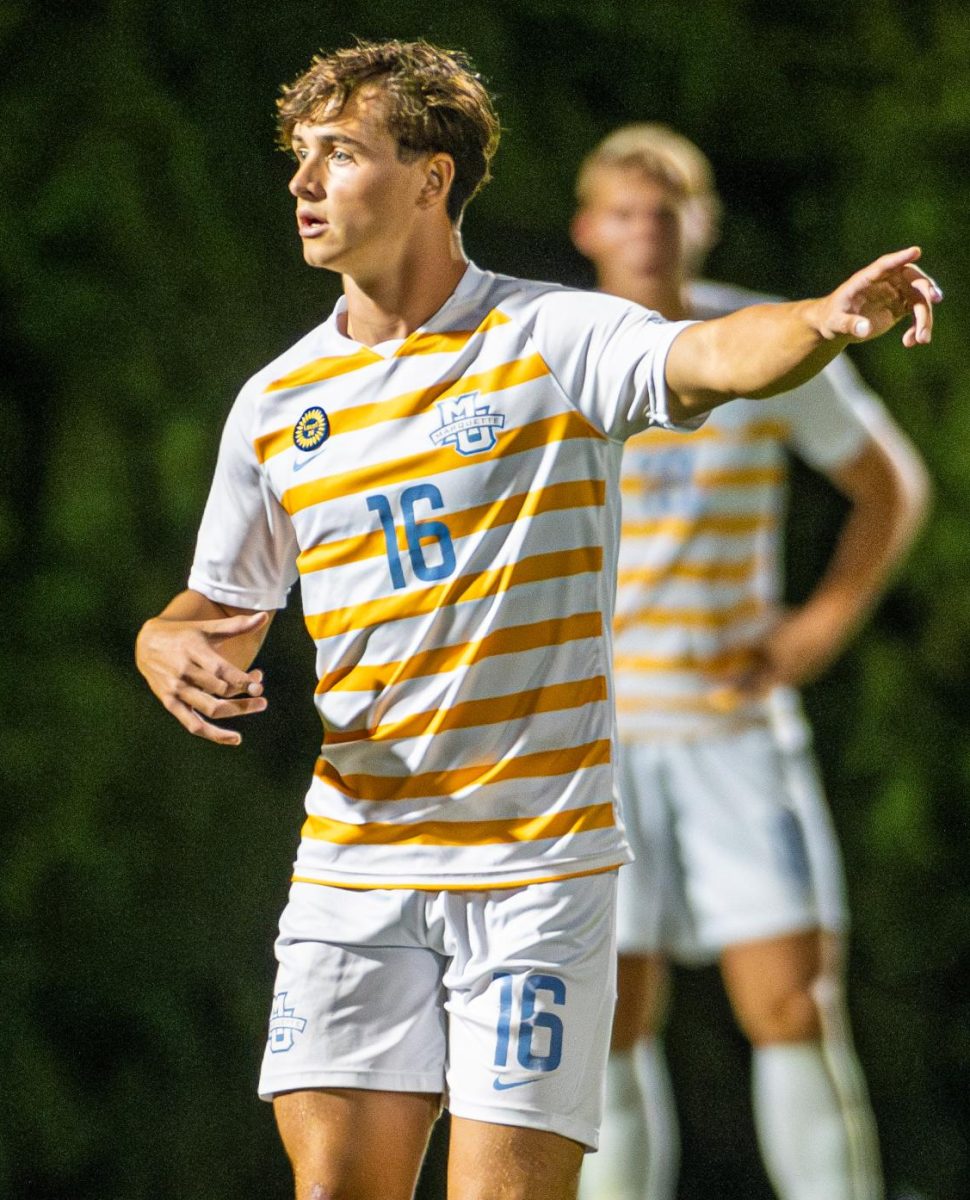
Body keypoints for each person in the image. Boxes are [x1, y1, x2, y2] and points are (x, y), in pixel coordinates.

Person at [134, 41, 939, 1200]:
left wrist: (817, 319)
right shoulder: (277, 403)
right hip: (355, 866)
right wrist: (166, 641)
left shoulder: (552, 337)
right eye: (298, 158)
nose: (304, 184)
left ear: (431, 177)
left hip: (533, 874)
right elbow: (217, 610)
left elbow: (708, 358)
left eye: (340, 154)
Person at [571, 124, 932, 1200]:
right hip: (605, 736)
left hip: (732, 726)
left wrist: (820, 624)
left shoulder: (761, 338)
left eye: (669, 207)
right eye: (627, 211)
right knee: (610, 1015)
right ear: (590, 228)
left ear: (703, 221)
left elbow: (889, 487)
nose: (649, 229)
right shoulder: (557, 348)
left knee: (790, 1001)